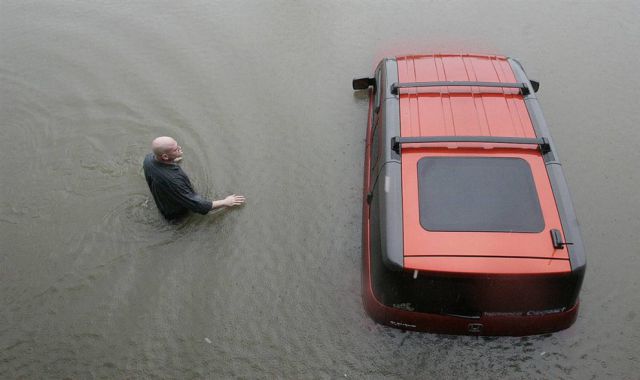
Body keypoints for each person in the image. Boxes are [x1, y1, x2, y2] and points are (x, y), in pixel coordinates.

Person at [143, 136, 245, 220]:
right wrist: (225, 202)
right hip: (175, 214)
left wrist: (173, 159)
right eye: (175, 149)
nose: (180, 148)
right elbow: (198, 205)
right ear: (165, 157)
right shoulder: (174, 181)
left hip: (162, 200)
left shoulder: (148, 159)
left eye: (177, 145)